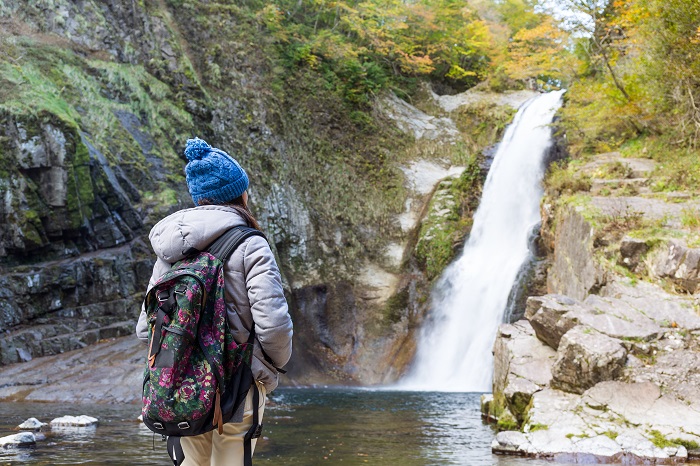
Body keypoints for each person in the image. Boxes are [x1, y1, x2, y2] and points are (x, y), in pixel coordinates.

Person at [136, 137, 293, 466]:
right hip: (237, 379)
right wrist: (271, 368)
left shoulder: (170, 251)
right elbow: (274, 324)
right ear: (239, 193)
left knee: (193, 461)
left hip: (182, 383)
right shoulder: (251, 244)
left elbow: (144, 329)